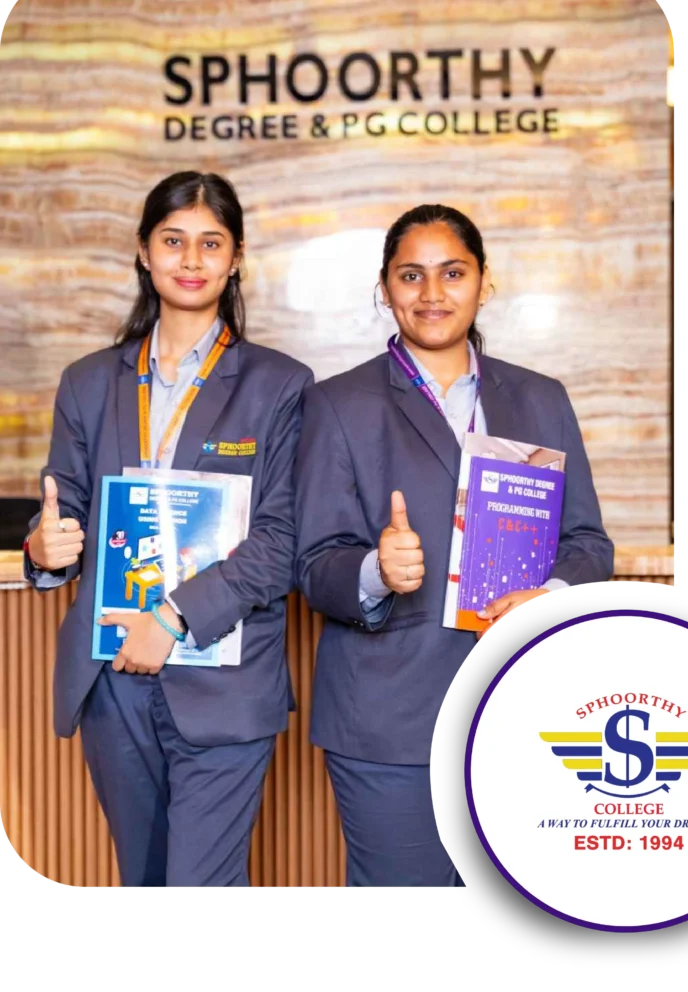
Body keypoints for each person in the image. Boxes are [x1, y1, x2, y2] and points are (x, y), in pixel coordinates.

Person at [294, 203, 613, 887]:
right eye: (411, 275)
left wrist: (546, 595)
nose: (432, 293)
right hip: (389, 721)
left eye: (452, 273)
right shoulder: (337, 404)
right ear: (385, 288)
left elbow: (588, 544)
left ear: (483, 282)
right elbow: (314, 564)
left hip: (518, 706)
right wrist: (374, 571)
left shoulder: (540, 398)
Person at [23, 171, 313, 888]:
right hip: (114, 672)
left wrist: (174, 617)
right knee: (144, 878)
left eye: (210, 243)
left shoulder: (279, 385)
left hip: (223, 673)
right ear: (143, 252)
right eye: (173, 240)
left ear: (236, 258)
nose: (191, 259)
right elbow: (66, 509)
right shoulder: (89, 381)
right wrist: (45, 548)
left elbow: (281, 539)